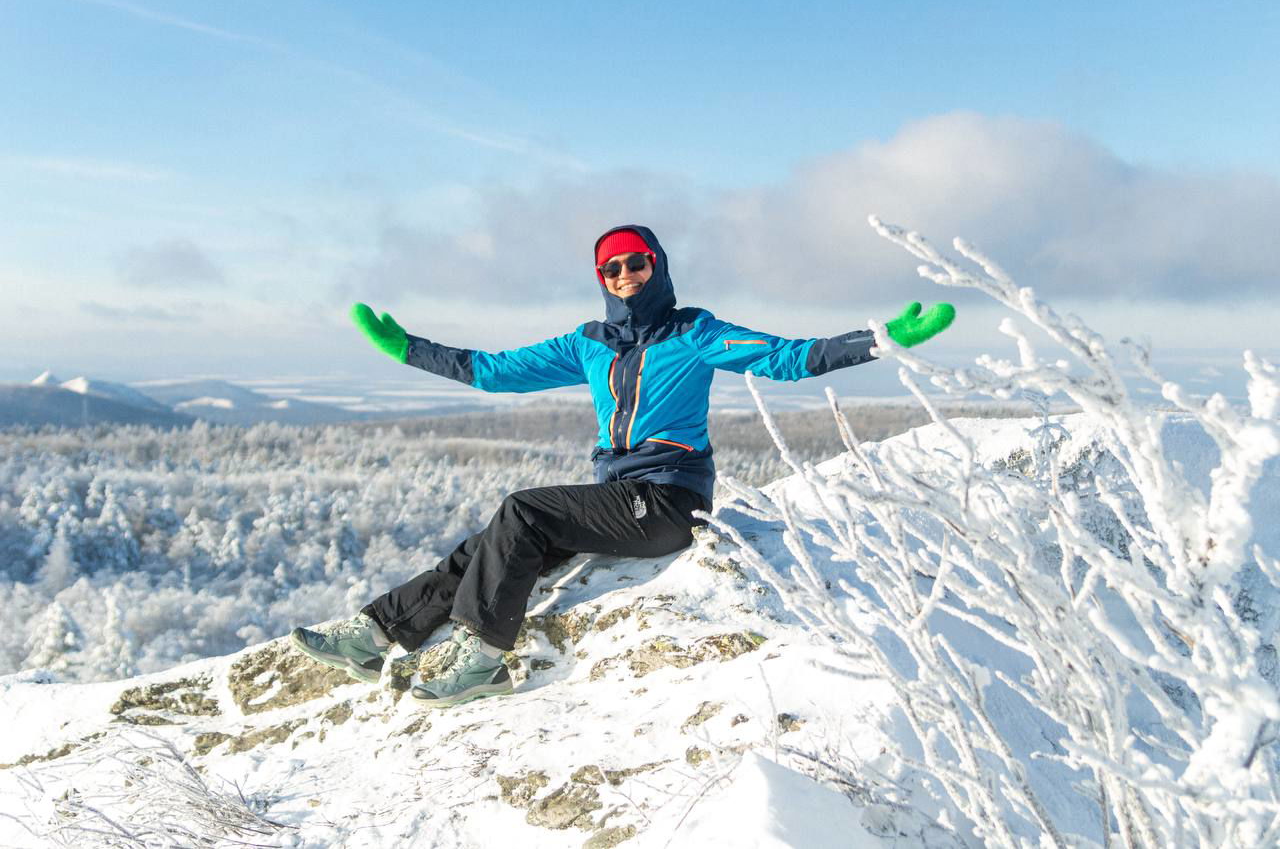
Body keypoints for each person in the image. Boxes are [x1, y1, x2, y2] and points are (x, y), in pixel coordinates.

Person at [291, 224, 954, 707]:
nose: (626, 277)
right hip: (619, 496)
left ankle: (484, 655)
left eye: (637, 264)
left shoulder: (694, 332)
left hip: (668, 502)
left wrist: (882, 339)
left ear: (658, 267)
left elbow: (786, 356)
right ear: (601, 280)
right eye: (612, 270)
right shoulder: (588, 344)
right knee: (491, 545)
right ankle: (377, 630)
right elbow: (493, 371)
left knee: (523, 509)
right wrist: (408, 348)